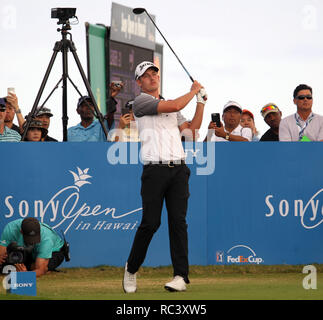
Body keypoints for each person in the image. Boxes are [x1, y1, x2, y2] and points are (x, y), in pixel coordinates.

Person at [123, 61, 207, 293]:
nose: (152, 78)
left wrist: (200, 102)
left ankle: (181, 276)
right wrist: (193, 91)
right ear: (139, 82)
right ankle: (131, 269)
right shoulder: (140, 101)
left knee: (178, 223)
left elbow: (191, 131)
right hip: (154, 170)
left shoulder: (173, 107)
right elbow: (173, 104)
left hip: (179, 169)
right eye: (147, 75)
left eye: (155, 74)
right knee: (151, 223)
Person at [0, 218, 68, 277]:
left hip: (55, 252)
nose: (33, 241)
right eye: (29, 238)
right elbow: (1, 254)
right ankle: (26, 266)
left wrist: (26, 275)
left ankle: (44, 268)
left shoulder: (46, 239)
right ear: (21, 231)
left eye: (34, 238)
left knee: (40, 267)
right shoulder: (11, 228)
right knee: (5, 264)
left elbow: (40, 269)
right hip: (30, 252)